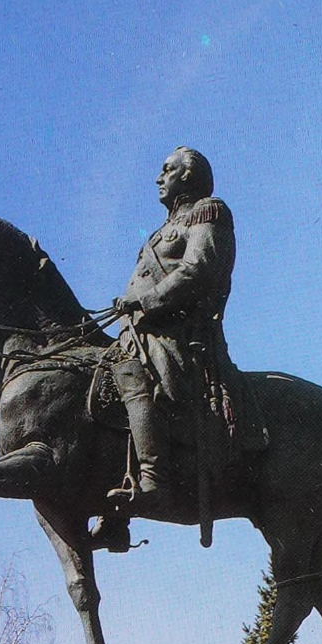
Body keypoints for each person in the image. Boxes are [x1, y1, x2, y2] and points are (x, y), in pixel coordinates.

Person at [106, 147, 236, 519]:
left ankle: (152, 482)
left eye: (167, 170)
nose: (158, 177)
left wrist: (145, 302)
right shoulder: (160, 232)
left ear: (188, 175)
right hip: (142, 332)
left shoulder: (209, 212)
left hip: (181, 336)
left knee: (131, 374)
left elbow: (198, 269)